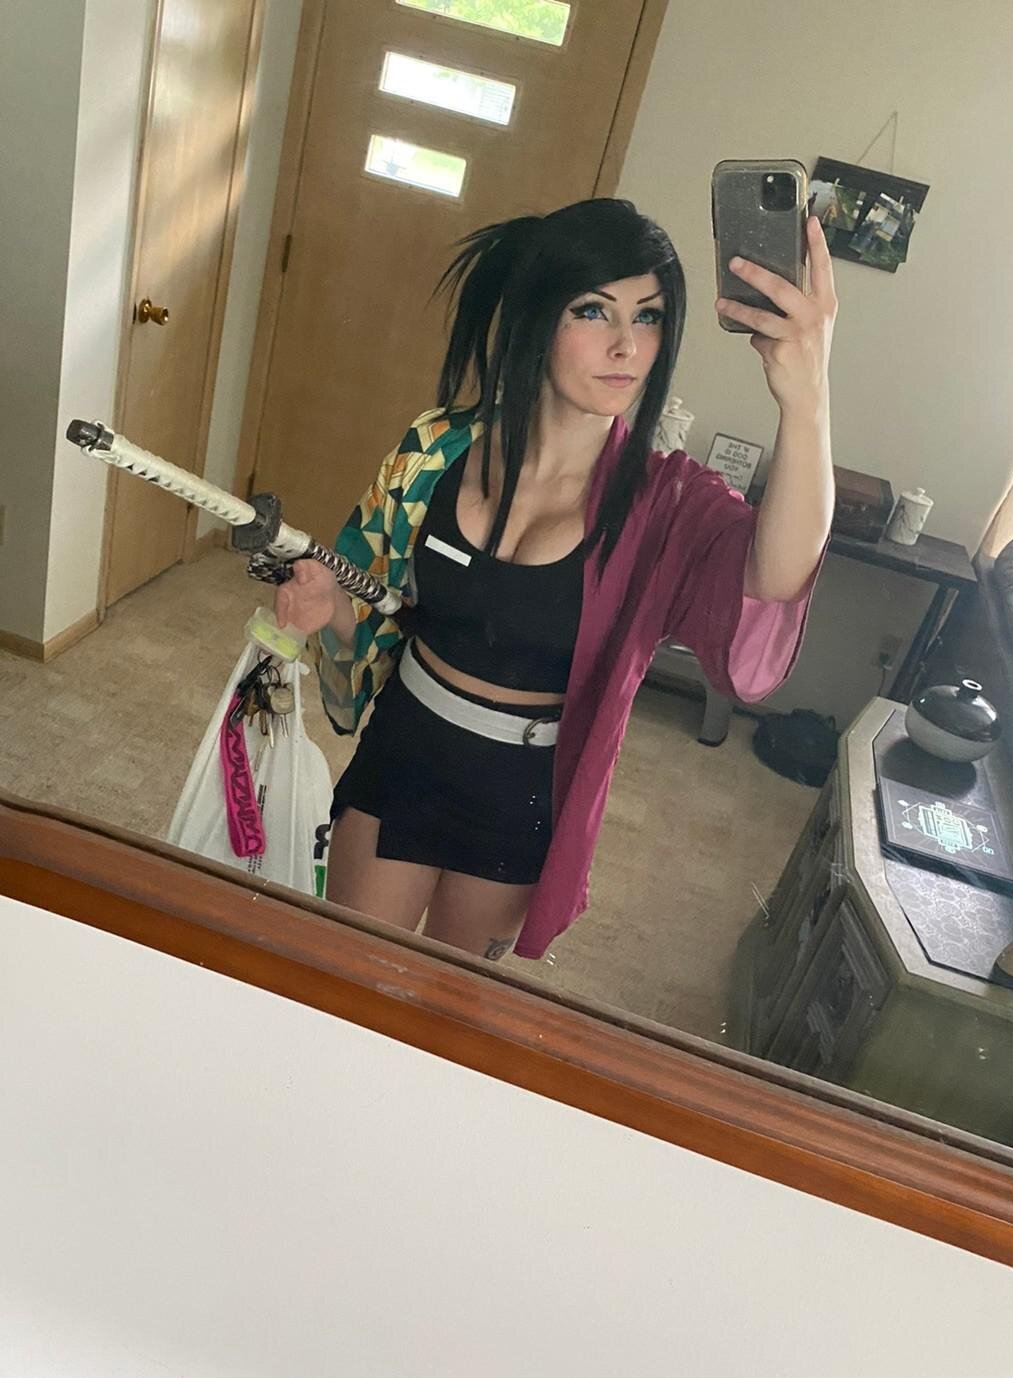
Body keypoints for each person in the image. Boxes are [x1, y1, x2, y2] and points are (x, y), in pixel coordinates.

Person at [275, 197, 837, 962]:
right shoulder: (435, 450)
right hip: (404, 747)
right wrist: (331, 607)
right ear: (539, 318)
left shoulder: (663, 503)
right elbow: (380, 609)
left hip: (521, 793)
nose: (626, 345)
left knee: (450, 1006)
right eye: (593, 310)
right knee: (342, 971)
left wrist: (806, 398)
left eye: (648, 317)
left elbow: (777, 574)